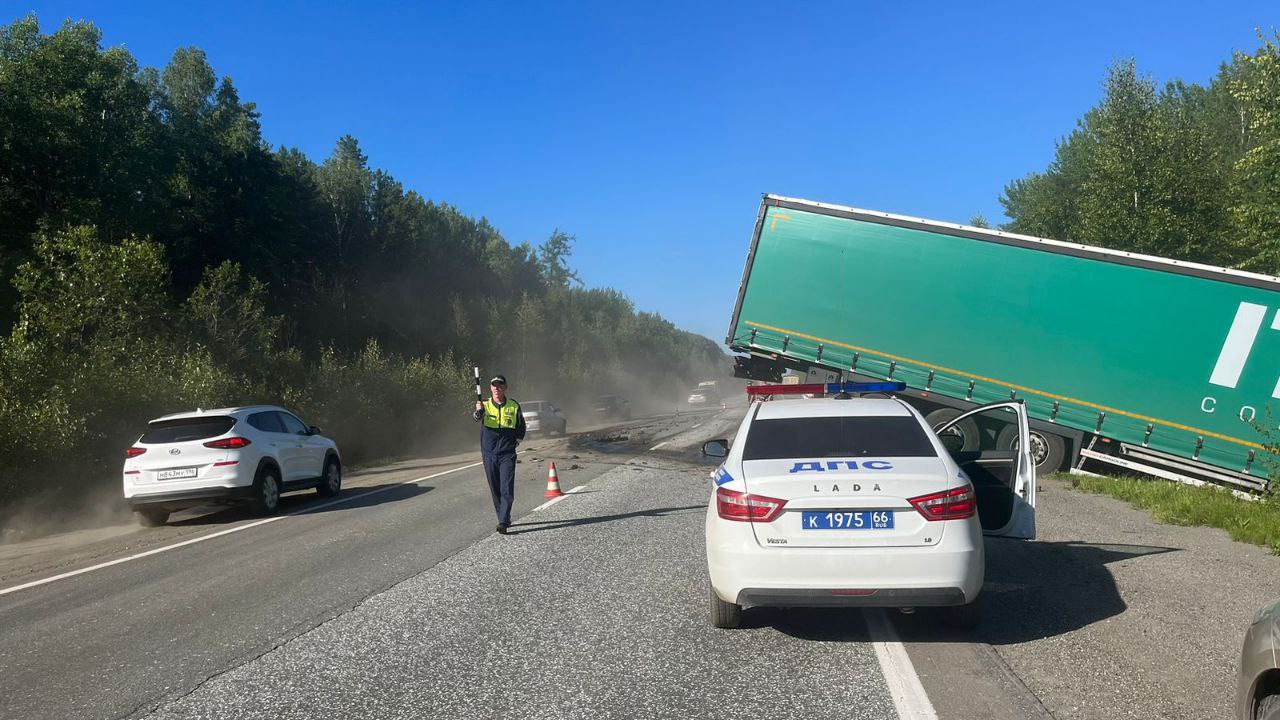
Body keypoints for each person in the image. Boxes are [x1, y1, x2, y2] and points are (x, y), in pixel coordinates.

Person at [473, 374, 526, 534]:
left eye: (500, 385)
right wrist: (478, 412)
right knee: (495, 488)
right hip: (489, 454)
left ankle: (503, 521)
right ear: (490, 388)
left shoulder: (513, 405)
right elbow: (476, 418)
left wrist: (516, 442)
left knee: (506, 488)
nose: (497, 388)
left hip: (507, 454)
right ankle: (504, 516)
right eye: (494, 385)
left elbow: (521, 427)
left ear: (505, 387)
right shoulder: (484, 405)